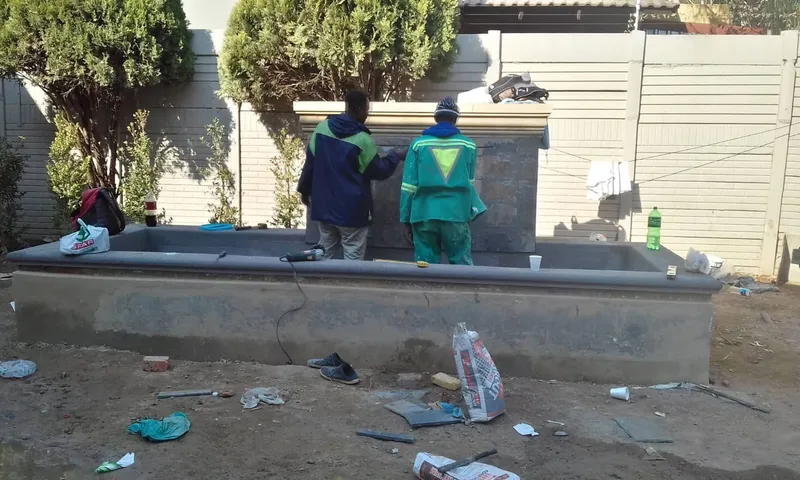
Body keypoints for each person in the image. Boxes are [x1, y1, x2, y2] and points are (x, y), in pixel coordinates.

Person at [297, 90, 405, 260]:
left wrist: (304, 190)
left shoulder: (322, 128)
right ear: (359, 108)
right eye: (367, 110)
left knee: (325, 254)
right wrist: (395, 156)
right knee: (353, 261)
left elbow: (310, 163)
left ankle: (322, 285)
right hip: (352, 213)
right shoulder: (363, 139)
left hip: (324, 207)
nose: (367, 114)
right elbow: (378, 170)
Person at [399, 97, 486, 265]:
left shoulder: (418, 145)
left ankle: (428, 292)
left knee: (426, 266)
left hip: (423, 214)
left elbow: (408, 186)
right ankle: (462, 291)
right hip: (456, 214)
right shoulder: (469, 145)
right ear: (455, 119)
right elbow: (470, 183)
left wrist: (405, 219)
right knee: (461, 264)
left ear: (436, 118)